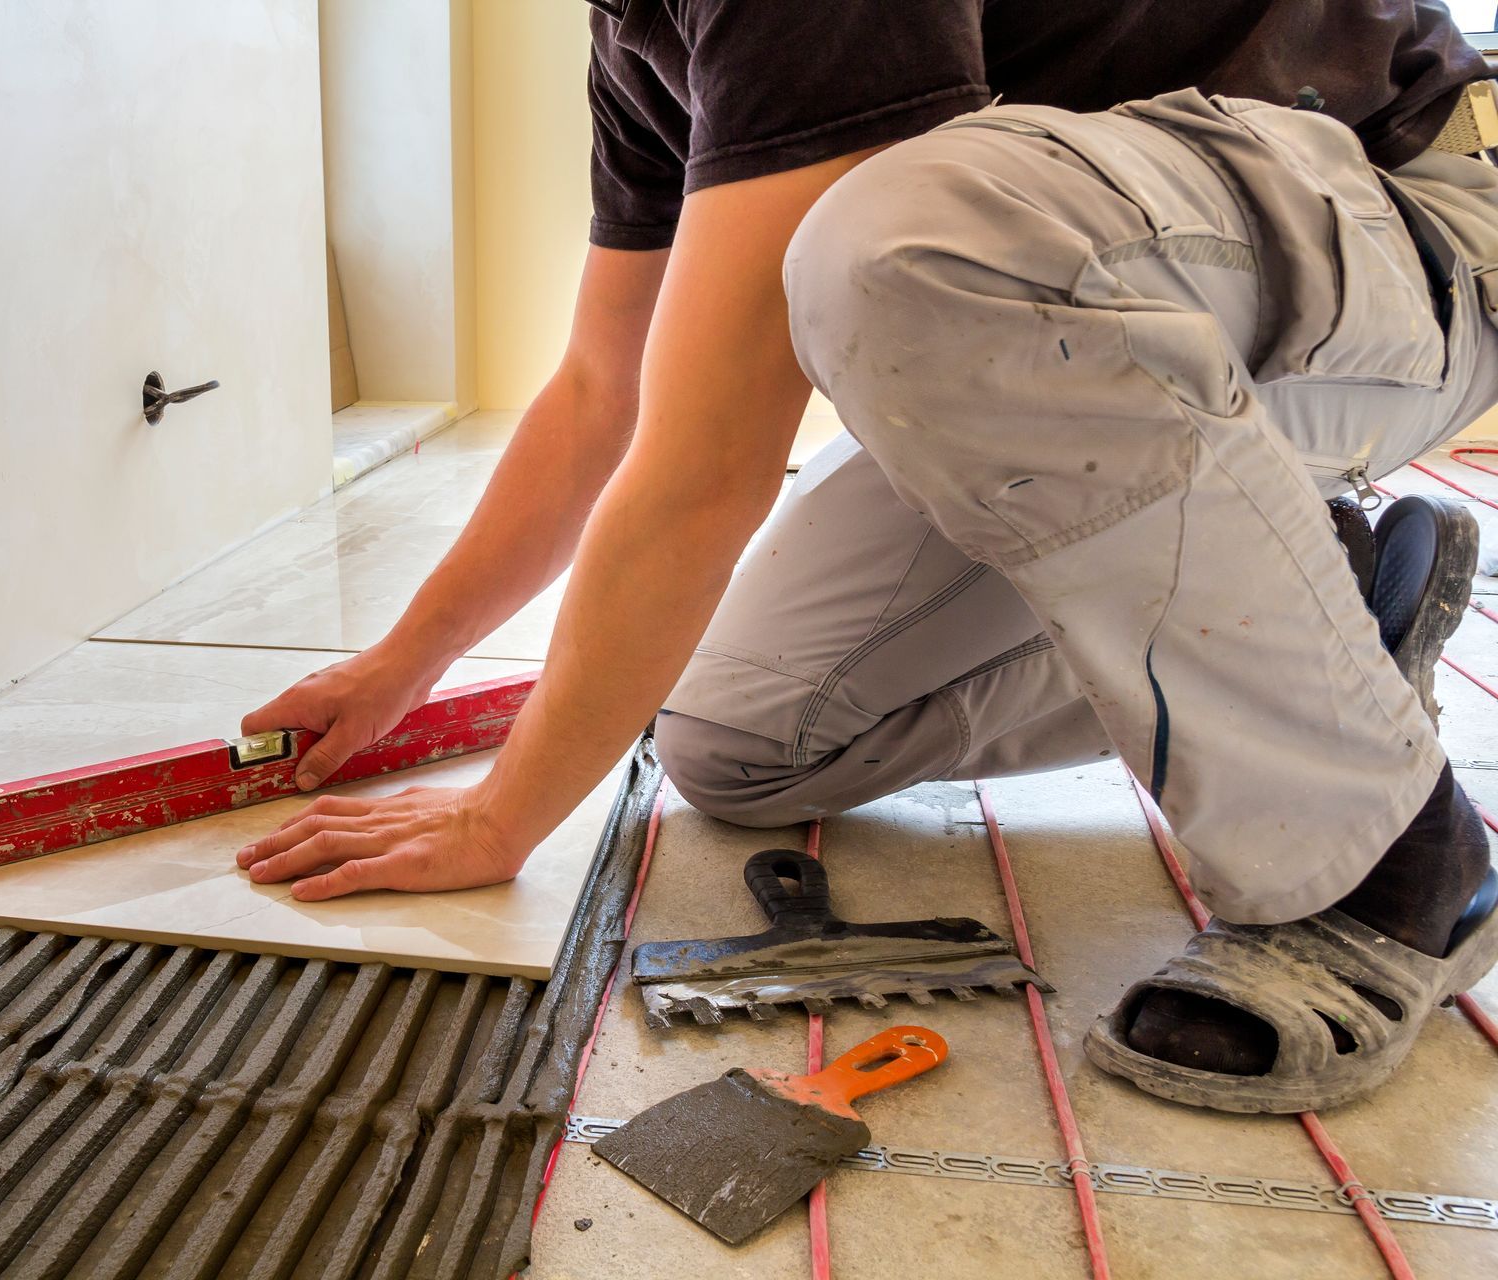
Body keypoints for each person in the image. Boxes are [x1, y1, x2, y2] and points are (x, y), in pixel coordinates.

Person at [235, 2, 1498, 1112]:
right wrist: (404, 663)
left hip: (1412, 226)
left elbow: (706, 464)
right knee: (741, 739)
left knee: (904, 238)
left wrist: (504, 814)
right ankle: (1327, 605)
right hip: (1162, 285)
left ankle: (1387, 857)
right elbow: (595, 394)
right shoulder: (641, 37)